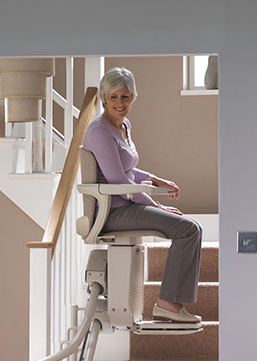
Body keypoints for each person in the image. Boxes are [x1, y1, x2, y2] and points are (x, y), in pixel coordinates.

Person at [82, 67, 202, 323]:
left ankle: (172, 303)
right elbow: (118, 180)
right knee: (188, 229)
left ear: (133, 97)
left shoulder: (123, 125)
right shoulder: (100, 131)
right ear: (104, 97)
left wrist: (156, 179)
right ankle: (168, 304)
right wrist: (156, 204)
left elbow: (126, 168)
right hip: (113, 212)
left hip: (127, 204)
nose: (119, 103)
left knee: (192, 228)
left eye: (124, 97)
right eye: (113, 97)